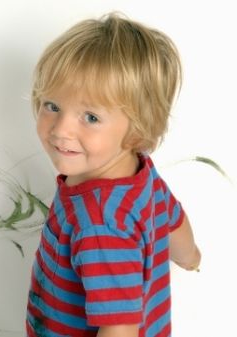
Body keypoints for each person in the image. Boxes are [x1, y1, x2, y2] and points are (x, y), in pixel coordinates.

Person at [26, 12, 201, 337]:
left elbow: (119, 328)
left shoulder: (99, 224)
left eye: (90, 117)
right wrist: (190, 256)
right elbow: (173, 220)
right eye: (52, 105)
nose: (62, 129)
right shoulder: (140, 173)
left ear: (138, 130)